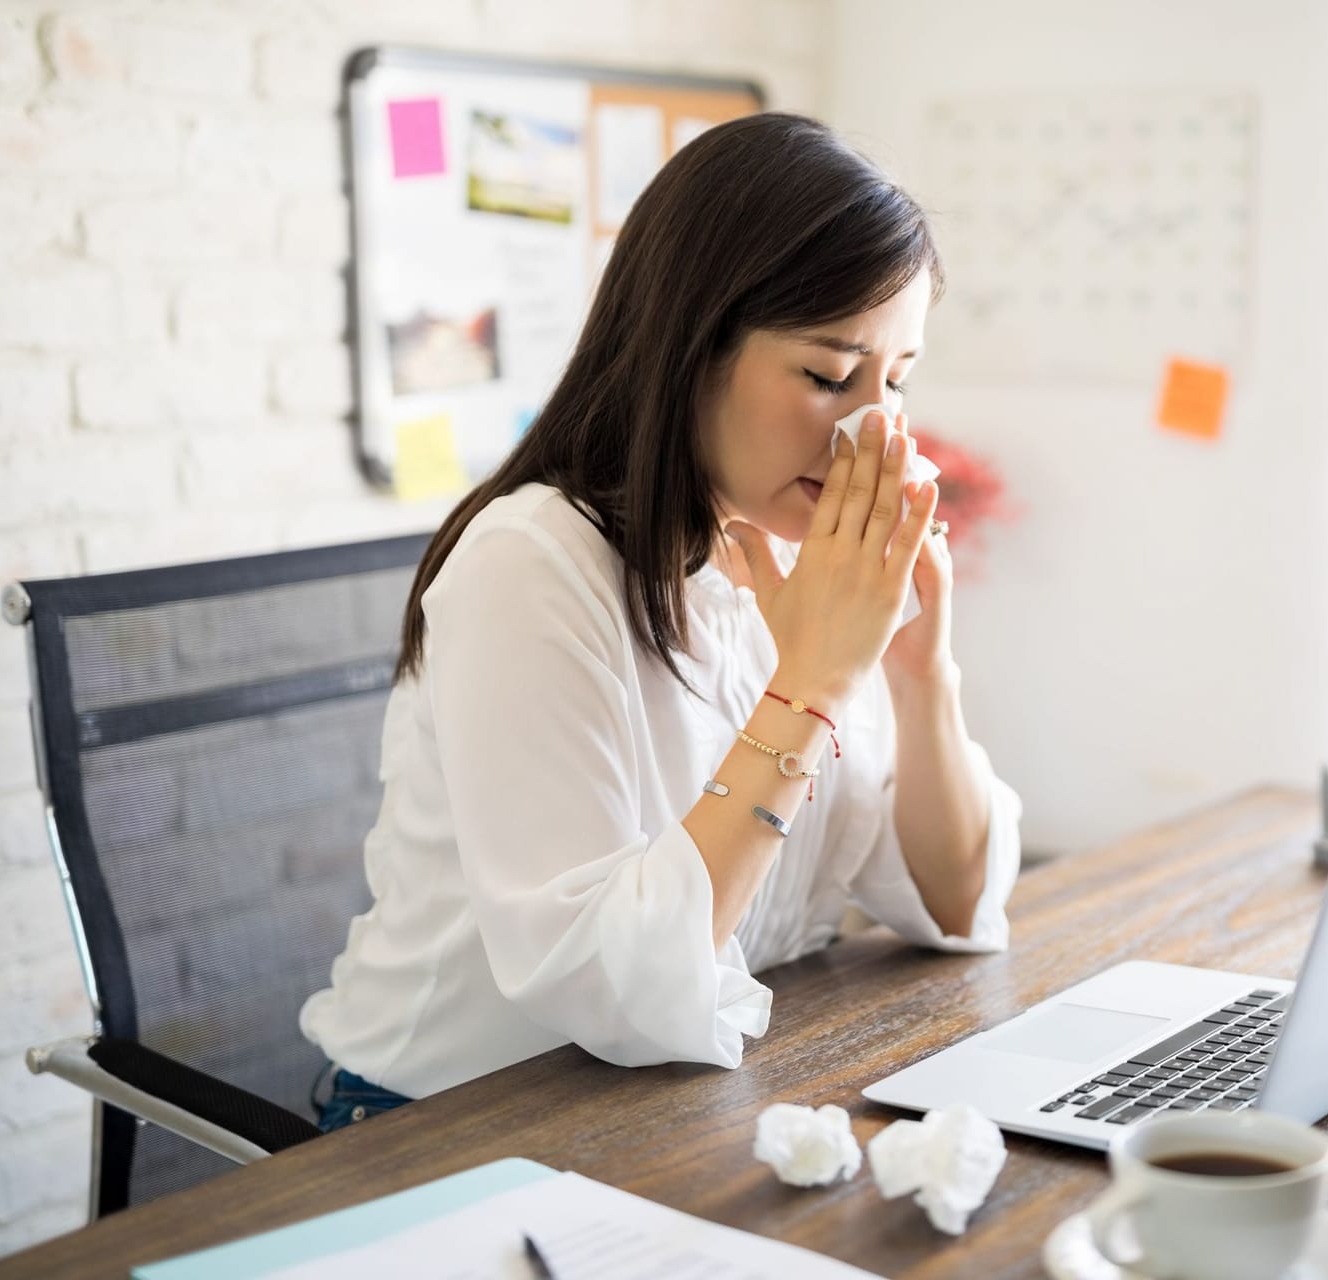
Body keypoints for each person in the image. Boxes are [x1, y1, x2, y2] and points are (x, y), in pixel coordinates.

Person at [300, 112, 1024, 1132]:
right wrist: (809, 685)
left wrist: (916, 665)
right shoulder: (533, 564)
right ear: (690, 346)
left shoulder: (788, 553)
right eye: (828, 374)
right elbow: (608, 988)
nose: (876, 428)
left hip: (676, 1112)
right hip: (445, 1130)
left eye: (896, 380)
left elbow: (954, 903)